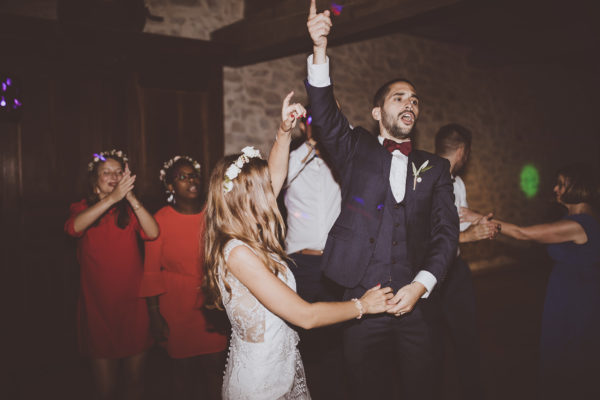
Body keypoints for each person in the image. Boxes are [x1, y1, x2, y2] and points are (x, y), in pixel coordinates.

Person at [305, 2, 459, 398]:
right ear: (377, 111)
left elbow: (446, 234)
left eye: (415, 100)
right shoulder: (355, 147)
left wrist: (421, 287)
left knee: (422, 388)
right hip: (361, 301)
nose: (410, 103)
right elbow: (323, 117)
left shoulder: (435, 167)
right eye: (399, 97)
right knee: (363, 389)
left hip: (416, 309)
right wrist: (320, 49)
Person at [202, 91, 394, 399]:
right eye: (265, 188)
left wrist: (284, 130)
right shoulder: (238, 252)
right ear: (245, 198)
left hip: (283, 369)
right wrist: (364, 306)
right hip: (260, 386)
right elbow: (306, 316)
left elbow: (278, 172)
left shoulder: (250, 233)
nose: (273, 191)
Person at [461, 163, 600, 400]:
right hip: (566, 293)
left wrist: (479, 218)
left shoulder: (578, 225)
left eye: (561, 184)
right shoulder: (574, 219)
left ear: (578, 188)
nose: (555, 188)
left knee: (570, 362)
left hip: (576, 302)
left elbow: (522, 234)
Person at [64, 149, 159, 400]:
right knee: (105, 391)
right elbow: (73, 228)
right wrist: (111, 198)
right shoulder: (82, 207)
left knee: (135, 383)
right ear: (94, 179)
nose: (114, 176)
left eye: (119, 172)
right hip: (98, 310)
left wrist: (130, 199)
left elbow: (153, 233)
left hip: (133, 309)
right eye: (107, 172)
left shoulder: (128, 210)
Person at [139, 155, 227, 400]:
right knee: (181, 374)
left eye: (194, 175)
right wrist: (155, 316)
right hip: (176, 305)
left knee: (215, 369)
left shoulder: (214, 213)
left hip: (210, 302)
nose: (191, 180)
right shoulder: (159, 220)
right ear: (170, 187)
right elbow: (150, 271)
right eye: (182, 177)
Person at [434, 124, 499, 399]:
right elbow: (425, 238)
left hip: (456, 270)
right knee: (431, 342)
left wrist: (478, 219)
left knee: (467, 337)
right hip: (432, 275)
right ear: (462, 151)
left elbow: (457, 218)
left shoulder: (457, 183)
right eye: (468, 152)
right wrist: (469, 237)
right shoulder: (427, 180)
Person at [284, 105, 344, 398]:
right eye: (315, 120)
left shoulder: (341, 162)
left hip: (336, 260)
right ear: (306, 125)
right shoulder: (292, 161)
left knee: (337, 334)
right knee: (300, 335)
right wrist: (310, 142)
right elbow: (278, 174)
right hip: (300, 262)